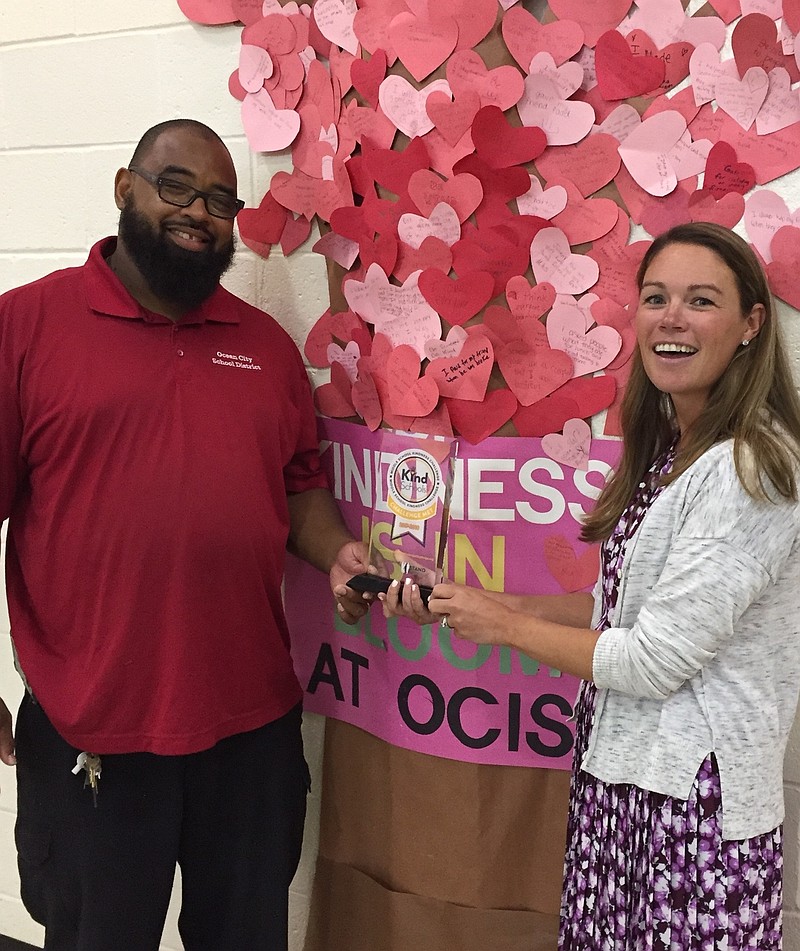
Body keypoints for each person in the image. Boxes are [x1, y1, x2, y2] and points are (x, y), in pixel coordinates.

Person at [0, 118, 371, 951]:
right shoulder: (25, 326)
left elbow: (300, 487)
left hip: (250, 729)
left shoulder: (268, 350)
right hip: (93, 726)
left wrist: (339, 552)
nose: (198, 212)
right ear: (124, 187)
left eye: (218, 199)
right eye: (176, 186)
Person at [384, 222, 800, 949]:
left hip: (692, 817)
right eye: (655, 297)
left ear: (750, 324)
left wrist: (504, 628)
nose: (671, 318)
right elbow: (621, 613)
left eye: (701, 300)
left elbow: (652, 659)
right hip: (623, 790)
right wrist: (479, 604)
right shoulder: (670, 450)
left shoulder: (748, 468)